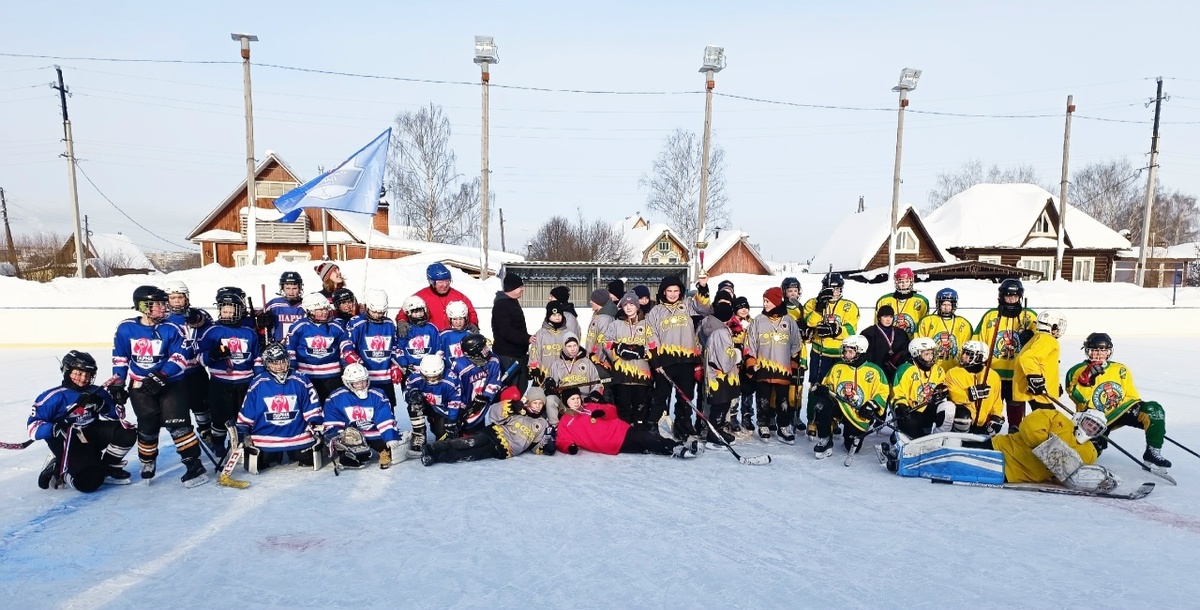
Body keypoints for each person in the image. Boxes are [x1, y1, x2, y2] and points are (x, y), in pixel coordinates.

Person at [887, 407, 1116, 493]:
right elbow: (1030, 427)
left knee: (954, 459)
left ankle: (905, 462)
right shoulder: (1056, 416)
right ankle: (907, 446)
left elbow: (1072, 472)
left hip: (1007, 472)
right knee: (952, 441)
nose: (1090, 428)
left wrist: (1099, 481)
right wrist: (1051, 447)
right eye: (1089, 422)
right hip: (1000, 445)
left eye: (1096, 428)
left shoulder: (1089, 453)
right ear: (1081, 418)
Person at [109, 285, 207, 486]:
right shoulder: (126, 328)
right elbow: (120, 358)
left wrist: (162, 374)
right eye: (159, 304)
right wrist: (118, 382)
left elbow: (180, 356)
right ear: (144, 306)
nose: (165, 308)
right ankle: (147, 461)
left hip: (171, 384)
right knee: (147, 426)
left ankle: (193, 464)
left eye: (165, 303)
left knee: (179, 425)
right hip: (141, 386)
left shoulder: (171, 328)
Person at [27, 351, 135, 491]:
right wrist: (52, 429)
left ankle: (107, 467)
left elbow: (118, 416)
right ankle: (59, 467)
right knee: (88, 483)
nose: (83, 378)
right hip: (67, 439)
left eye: (87, 374)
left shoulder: (97, 392)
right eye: (78, 373)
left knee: (127, 431)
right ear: (67, 371)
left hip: (90, 432)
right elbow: (32, 428)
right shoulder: (52, 397)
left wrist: (103, 405)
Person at [1065, 332, 1172, 468]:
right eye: (1094, 351)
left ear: (1109, 352)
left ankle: (1152, 452)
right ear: (1087, 351)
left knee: (1153, 410)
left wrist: (1145, 419)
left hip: (1121, 410)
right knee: (1087, 455)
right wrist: (1086, 381)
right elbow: (1078, 398)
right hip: (1094, 419)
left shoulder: (1120, 369)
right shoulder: (1076, 371)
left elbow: (1132, 396)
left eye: (1103, 351)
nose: (1098, 355)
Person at [235, 342, 323, 473]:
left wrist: (314, 422)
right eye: (275, 363)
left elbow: (311, 405)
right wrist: (243, 430)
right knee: (261, 462)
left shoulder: (301, 379)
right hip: (266, 437)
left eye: (283, 361)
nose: (280, 366)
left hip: (297, 436)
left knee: (307, 459)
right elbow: (248, 410)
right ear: (266, 364)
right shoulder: (258, 382)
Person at [197, 287, 262, 459]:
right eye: (224, 310)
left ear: (239, 310)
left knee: (243, 416)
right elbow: (200, 358)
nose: (227, 313)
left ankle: (242, 444)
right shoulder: (212, 331)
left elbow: (256, 358)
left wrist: (259, 378)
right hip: (221, 382)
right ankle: (218, 444)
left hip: (245, 382)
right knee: (219, 417)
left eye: (231, 310)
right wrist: (214, 355)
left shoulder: (249, 333)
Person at [421, 386, 557, 465]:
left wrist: (547, 447)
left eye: (540, 404)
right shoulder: (518, 410)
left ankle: (435, 457)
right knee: (468, 443)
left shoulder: (542, 423)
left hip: (506, 449)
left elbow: (536, 447)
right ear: (529, 402)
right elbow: (494, 413)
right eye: (535, 403)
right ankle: (434, 447)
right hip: (494, 434)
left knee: (471, 455)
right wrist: (512, 406)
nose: (538, 406)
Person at [647, 274, 711, 440]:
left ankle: (683, 424)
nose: (673, 294)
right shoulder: (656, 311)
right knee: (660, 395)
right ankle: (652, 425)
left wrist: (702, 287)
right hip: (666, 361)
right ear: (663, 292)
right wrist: (656, 360)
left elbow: (704, 307)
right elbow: (651, 336)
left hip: (686, 360)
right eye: (669, 291)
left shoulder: (688, 306)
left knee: (686, 395)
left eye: (676, 290)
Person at [555, 388, 699, 458]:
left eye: (577, 398)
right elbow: (562, 440)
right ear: (566, 402)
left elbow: (612, 411)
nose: (576, 401)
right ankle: (672, 447)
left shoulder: (590, 406)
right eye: (572, 399)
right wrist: (569, 447)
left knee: (646, 438)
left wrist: (603, 412)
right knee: (643, 446)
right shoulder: (565, 422)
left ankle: (676, 447)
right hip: (611, 445)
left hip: (620, 430)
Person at [972, 278, 1037, 432]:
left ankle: (1014, 434)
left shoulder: (1030, 316)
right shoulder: (991, 316)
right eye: (1008, 296)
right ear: (1001, 296)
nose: (1011, 299)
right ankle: (984, 434)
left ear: (1020, 296)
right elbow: (978, 339)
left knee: (1015, 406)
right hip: (993, 372)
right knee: (989, 405)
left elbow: (1040, 342)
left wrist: (1031, 337)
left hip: (1017, 374)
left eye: (1014, 296)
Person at [809, 335, 889, 460]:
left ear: (861, 351)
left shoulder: (875, 371)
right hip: (840, 406)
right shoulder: (837, 367)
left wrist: (872, 405)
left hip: (859, 412)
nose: (846, 354)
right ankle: (825, 440)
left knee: (852, 447)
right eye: (845, 351)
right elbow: (827, 385)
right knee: (821, 405)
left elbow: (883, 392)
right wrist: (822, 390)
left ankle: (850, 431)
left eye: (851, 351)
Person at [803, 272, 860, 438]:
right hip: (820, 352)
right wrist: (820, 307)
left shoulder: (850, 306)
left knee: (836, 388)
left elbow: (851, 329)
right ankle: (812, 419)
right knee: (816, 385)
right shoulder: (813, 302)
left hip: (840, 354)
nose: (834, 291)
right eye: (831, 288)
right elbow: (809, 322)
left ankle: (833, 419)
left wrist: (836, 330)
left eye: (837, 288)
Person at [322, 363, 407, 469]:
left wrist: (390, 436)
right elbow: (332, 420)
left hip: (373, 432)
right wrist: (341, 436)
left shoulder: (378, 395)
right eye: (357, 383)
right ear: (348, 383)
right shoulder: (336, 398)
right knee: (353, 453)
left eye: (363, 381)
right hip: (352, 436)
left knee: (388, 444)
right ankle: (353, 456)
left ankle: (384, 450)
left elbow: (384, 417)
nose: (361, 385)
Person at [162, 279, 215, 449]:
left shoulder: (199, 313)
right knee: (179, 412)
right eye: (173, 297)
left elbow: (201, 321)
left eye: (180, 297)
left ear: (187, 298)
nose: (177, 301)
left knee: (202, 406)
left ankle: (207, 433)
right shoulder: (162, 319)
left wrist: (194, 318)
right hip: (175, 375)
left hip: (195, 370)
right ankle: (187, 444)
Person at [745, 287, 802, 443]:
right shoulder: (758, 320)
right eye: (764, 301)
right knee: (762, 399)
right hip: (763, 368)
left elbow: (796, 344)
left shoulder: (789, 321)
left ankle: (783, 426)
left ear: (776, 301)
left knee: (783, 401)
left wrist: (794, 363)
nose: (765, 304)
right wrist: (751, 364)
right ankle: (763, 424)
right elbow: (750, 344)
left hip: (783, 369)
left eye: (767, 301)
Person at [287, 292, 357, 403]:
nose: (324, 313)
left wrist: (346, 362)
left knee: (332, 404)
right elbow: (290, 349)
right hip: (306, 375)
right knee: (308, 405)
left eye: (326, 309)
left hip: (332, 375)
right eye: (320, 310)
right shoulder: (298, 326)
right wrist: (293, 370)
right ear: (309, 310)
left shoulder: (336, 326)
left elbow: (344, 345)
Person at [602, 293, 659, 429]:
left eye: (631, 304)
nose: (628, 308)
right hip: (622, 373)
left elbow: (654, 345)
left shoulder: (646, 324)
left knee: (640, 406)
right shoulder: (616, 324)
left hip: (641, 373)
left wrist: (643, 351)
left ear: (637, 306)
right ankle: (624, 433)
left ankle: (640, 432)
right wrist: (619, 349)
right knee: (623, 406)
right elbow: (605, 343)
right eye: (625, 305)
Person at [345, 289, 403, 408]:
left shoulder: (389, 324)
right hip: (364, 378)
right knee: (367, 409)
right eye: (375, 311)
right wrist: (349, 353)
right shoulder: (357, 323)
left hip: (384, 377)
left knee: (388, 407)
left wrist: (395, 365)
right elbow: (347, 343)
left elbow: (395, 347)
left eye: (381, 312)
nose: (377, 315)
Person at [889, 337, 952, 441]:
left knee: (948, 407)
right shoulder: (905, 370)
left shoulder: (938, 370)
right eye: (926, 354)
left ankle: (938, 439)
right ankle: (900, 436)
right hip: (911, 411)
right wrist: (900, 405)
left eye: (931, 353)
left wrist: (942, 390)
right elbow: (897, 393)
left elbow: (942, 386)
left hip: (928, 409)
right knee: (915, 438)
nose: (930, 357)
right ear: (916, 354)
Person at [941, 339, 1004, 436]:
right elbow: (952, 395)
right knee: (962, 416)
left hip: (983, 422)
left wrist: (996, 417)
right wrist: (970, 394)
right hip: (965, 419)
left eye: (968, 354)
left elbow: (997, 401)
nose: (963, 356)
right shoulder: (953, 373)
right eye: (963, 352)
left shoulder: (993, 376)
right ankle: (958, 439)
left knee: (994, 429)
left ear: (980, 357)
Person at [701, 299, 741, 445]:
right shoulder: (720, 334)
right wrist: (737, 354)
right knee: (720, 406)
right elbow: (725, 359)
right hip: (719, 377)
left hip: (721, 377)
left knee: (723, 405)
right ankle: (714, 432)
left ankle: (719, 429)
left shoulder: (721, 331)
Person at [396, 263, 479, 332]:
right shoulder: (421, 296)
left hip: (452, 338)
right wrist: (401, 321)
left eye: (447, 280)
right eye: (441, 281)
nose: (445, 284)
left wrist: (473, 323)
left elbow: (471, 311)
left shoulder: (459, 296)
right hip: (430, 338)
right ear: (432, 282)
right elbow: (405, 310)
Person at [1013, 311, 1066, 418]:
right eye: (1059, 325)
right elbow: (1028, 358)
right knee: (1050, 421)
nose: (1060, 329)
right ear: (1053, 326)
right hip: (1039, 393)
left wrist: (1055, 386)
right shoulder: (1048, 340)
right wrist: (1035, 378)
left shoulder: (1038, 338)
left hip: (1040, 391)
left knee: (1045, 421)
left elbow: (1044, 365)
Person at [449, 333, 504, 432]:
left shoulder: (493, 359)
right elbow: (455, 389)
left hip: (481, 401)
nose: (487, 349)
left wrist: (484, 397)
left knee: (477, 429)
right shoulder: (460, 366)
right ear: (474, 352)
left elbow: (494, 381)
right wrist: (461, 408)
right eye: (483, 347)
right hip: (463, 403)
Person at [404, 354, 465, 442]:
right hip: (425, 405)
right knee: (414, 406)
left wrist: (452, 420)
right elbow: (407, 390)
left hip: (443, 409)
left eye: (435, 377)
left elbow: (455, 401)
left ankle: (438, 426)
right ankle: (419, 436)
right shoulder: (415, 376)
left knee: (442, 434)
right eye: (427, 377)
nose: (431, 380)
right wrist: (412, 393)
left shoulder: (452, 380)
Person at [545, 332, 602, 424]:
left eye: (575, 345)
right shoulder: (557, 364)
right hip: (565, 403)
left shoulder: (587, 362)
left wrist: (595, 394)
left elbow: (597, 383)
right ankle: (554, 426)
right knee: (550, 399)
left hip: (583, 400)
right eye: (569, 346)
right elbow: (552, 383)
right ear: (564, 347)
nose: (573, 349)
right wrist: (550, 385)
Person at [914, 288, 973, 372]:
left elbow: (968, 348)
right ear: (938, 305)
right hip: (932, 370)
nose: (946, 307)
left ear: (954, 305)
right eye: (943, 304)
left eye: (949, 305)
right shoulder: (926, 321)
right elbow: (918, 345)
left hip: (956, 369)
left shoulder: (964, 324)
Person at [492, 272, 531, 392]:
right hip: (508, 356)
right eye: (520, 287)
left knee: (520, 387)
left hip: (517, 354)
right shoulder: (502, 305)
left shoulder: (511, 302)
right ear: (511, 288)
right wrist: (526, 338)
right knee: (510, 390)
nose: (522, 289)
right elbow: (506, 331)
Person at [781, 277, 812, 426]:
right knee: (782, 384)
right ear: (784, 292)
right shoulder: (781, 308)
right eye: (789, 291)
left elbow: (809, 331)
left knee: (797, 385)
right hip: (783, 352)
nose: (793, 293)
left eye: (795, 290)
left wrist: (806, 330)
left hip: (800, 352)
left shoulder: (803, 309)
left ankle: (795, 415)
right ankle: (780, 414)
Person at [395, 295, 441, 390]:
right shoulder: (405, 329)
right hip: (410, 370)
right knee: (413, 398)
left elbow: (438, 348)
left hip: (430, 371)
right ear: (408, 313)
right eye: (415, 312)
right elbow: (399, 350)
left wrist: (436, 363)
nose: (419, 314)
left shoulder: (431, 328)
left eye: (420, 310)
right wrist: (405, 365)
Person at [528, 301, 573, 390]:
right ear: (548, 316)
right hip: (544, 374)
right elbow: (534, 352)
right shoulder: (541, 333)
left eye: (559, 315)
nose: (557, 317)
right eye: (554, 315)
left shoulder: (568, 333)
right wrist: (534, 368)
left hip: (563, 374)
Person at [728, 296, 756, 436]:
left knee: (748, 390)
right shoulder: (730, 322)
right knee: (735, 390)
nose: (744, 309)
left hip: (749, 361)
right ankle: (732, 417)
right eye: (740, 307)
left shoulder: (753, 322)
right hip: (736, 361)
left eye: (746, 307)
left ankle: (747, 416)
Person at [861, 304, 910, 383]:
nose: (888, 320)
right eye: (885, 316)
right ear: (879, 318)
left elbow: (906, 352)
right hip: (876, 373)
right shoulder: (868, 333)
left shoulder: (901, 333)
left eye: (890, 317)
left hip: (896, 374)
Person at [874, 267, 929, 338]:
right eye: (900, 282)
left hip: (914, 342)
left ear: (911, 281)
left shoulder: (922, 301)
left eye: (907, 281)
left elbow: (925, 324)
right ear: (896, 282)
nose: (904, 284)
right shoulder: (884, 300)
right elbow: (877, 324)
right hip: (890, 342)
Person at [262, 271, 307, 343]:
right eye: (288, 288)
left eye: (294, 288)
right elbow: (259, 320)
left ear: (300, 288)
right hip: (278, 346)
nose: (291, 292)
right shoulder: (274, 304)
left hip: (299, 345)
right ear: (282, 288)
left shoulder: (306, 305)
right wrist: (262, 320)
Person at [585, 288, 618, 366]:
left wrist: (595, 359)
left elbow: (602, 342)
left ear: (598, 301)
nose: (590, 302)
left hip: (599, 362)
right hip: (592, 359)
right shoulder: (598, 315)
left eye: (592, 300)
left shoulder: (605, 319)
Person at [436, 300, 473, 368]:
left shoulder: (469, 334)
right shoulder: (444, 335)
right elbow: (439, 354)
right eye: (455, 319)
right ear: (450, 319)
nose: (458, 322)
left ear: (465, 318)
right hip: (449, 371)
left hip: (467, 370)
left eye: (461, 319)